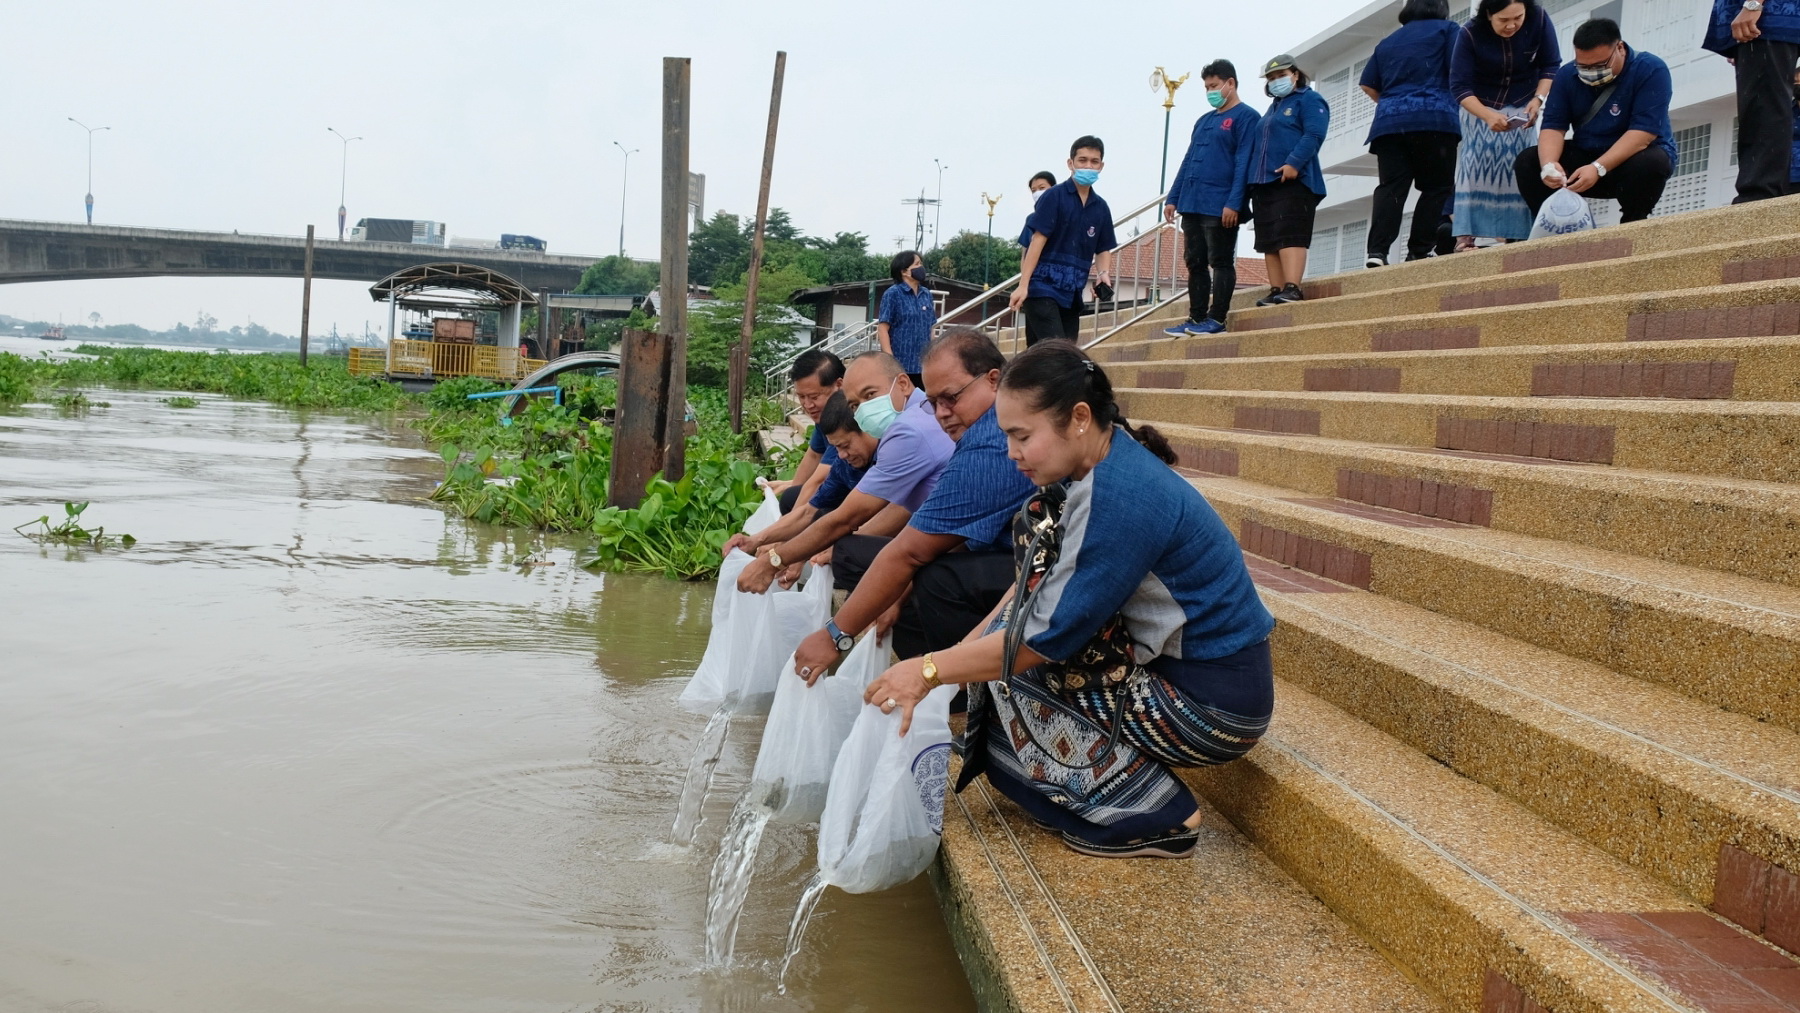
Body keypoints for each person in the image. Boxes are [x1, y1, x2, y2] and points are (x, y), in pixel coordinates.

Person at [861, 340, 1275, 860]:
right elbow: (1029, 590)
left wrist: (926, 671)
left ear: (1078, 418)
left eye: (1021, 436)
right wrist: (951, 660)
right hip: (1185, 675)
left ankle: (1157, 813)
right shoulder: (1098, 467)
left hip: (1213, 706)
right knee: (994, 651)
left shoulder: (1120, 497)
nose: (1011, 453)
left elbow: (1040, 640)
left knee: (1010, 672)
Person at [792, 328, 1038, 675]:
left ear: (993, 381)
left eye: (951, 397)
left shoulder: (989, 444)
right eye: (935, 401)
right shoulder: (978, 433)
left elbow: (906, 545)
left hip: (1025, 569)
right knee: (907, 569)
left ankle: (957, 685)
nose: (941, 413)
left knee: (925, 575)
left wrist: (835, 635)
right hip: (1015, 559)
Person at [732, 352, 953, 594]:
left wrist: (777, 559)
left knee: (846, 552)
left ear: (902, 384)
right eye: (855, 405)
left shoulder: (907, 431)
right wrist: (757, 540)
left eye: (870, 395)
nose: (865, 410)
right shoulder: (906, 419)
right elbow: (811, 507)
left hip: (956, 543)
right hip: (940, 532)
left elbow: (858, 516)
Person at [1514, 18, 1675, 225]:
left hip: (1631, 162)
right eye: (1583, 66)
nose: (1591, 72)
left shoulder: (1651, 69)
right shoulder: (1567, 75)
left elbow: (1643, 134)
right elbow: (1553, 127)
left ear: (1620, 48)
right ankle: (1552, 226)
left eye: (1600, 65)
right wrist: (1549, 166)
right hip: (1586, 157)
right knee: (1528, 161)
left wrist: (1598, 167)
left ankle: (1633, 224)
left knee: (1652, 162)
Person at [1450, 0, 1561, 249]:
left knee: (1519, 168)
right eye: (1503, 20)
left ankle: (1520, 234)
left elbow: (1551, 65)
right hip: (1480, 107)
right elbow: (1459, 86)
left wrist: (1538, 99)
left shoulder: (1539, 20)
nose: (1511, 25)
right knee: (1475, 166)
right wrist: (1487, 115)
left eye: (1518, 18)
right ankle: (1466, 237)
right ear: (1488, 14)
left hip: (1525, 105)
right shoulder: (1469, 33)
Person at [1162, 59, 1261, 337]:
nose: (1210, 91)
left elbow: (1244, 162)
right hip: (1192, 203)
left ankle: (1216, 318)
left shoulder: (1246, 117)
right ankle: (1196, 318)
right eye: (1206, 87)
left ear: (1231, 83)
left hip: (1220, 205)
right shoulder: (1203, 121)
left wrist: (1235, 202)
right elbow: (1188, 159)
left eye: (1214, 86)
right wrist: (1174, 197)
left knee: (1220, 261)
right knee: (1195, 262)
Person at [1361, 0, 1463, 267]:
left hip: (1389, 125)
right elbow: (1459, 72)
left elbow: (1367, 84)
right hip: (1435, 120)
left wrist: (1394, 104)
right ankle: (1418, 251)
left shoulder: (1388, 41)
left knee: (1391, 188)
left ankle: (1377, 252)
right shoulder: (1449, 30)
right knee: (1436, 187)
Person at [1008, 137, 1118, 345]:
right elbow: (1037, 241)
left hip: (1072, 294)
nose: (1088, 166)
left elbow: (1103, 247)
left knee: (1044, 357)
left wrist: (1103, 274)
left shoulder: (1101, 208)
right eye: (1082, 160)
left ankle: (1024, 378)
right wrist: (1024, 285)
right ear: (1071, 163)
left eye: (1094, 162)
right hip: (1042, 288)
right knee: (1062, 353)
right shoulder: (1054, 197)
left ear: (1101, 166)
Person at [1245, 55, 1331, 307]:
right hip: (1264, 182)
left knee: (1290, 234)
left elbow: (1315, 133)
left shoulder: (1309, 99)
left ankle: (1292, 287)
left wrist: (1294, 162)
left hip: (1295, 180)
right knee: (1269, 239)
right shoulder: (1273, 107)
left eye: (1281, 75)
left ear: (1295, 74)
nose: (1276, 81)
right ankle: (1276, 289)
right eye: (1271, 78)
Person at [1706, 0, 1800, 203]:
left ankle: (1761, 194)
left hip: (1768, 18)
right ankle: (1764, 191)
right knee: (1763, 103)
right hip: (1763, 21)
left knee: (1764, 106)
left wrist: (1753, 4)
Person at [768, 348, 846, 514]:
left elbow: (819, 480)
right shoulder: (823, 414)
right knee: (792, 496)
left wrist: (785, 528)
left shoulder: (844, 420)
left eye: (814, 397)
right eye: (801, 397)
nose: (808, 405)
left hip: (856, 493)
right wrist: (792, 485)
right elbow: (814, 455)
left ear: (839, 385)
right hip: (838, 485)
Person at [878, 251, 936, 387]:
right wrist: (890, 359)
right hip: (901, 366)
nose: (921, 267)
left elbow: (931, 328)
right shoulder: (892, 294)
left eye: (921, 264)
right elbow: (882, 328)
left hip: (924, 366)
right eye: (917, 264)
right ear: (904, 271)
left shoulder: (926, 294)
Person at [1017, 170, 1059, 247]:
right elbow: (1025, 251)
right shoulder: (1031, 219)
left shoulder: (1064, 215)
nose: (1037, 193)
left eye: (1042, 188)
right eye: (1033, 190)